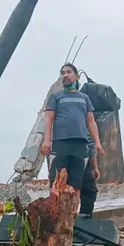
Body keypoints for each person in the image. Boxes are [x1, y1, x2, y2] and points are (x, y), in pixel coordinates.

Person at [40, 63, 105, 194]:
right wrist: (47, 140)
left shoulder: (84, 98)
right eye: (63, 73)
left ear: (76, 76)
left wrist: (97, 143)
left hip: (80, 143)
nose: (65, 75)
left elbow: (91, 121)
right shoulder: (56, 97)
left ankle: (73, 213)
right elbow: (48, 119)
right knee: (57, 181)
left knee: (76, 182)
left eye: (68, 72)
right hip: (61, 142)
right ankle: (56, 211)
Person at [79, 132, 101, 218]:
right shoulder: (82, 120)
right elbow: (90, 143)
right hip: (80, 156)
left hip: (60, 154)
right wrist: (95, 167)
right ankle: (84, 218)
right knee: (89, 191)